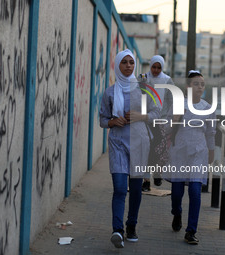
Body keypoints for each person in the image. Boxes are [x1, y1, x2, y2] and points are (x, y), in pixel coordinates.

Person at [99, 49, 159, 248]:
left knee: (135, 188)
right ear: (117, 65)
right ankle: (118, 230)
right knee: (118, 187)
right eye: (124, 62)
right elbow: (102, 119)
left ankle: (131, 225)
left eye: (131, 62)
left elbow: (157, 112)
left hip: (140, 142)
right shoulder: (109, 92)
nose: (128, 66)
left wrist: (140, 116)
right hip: (117, 143)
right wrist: (113, 122)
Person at [167, 70, 215, 244]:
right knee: (177, 192)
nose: (200, 87)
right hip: (179, 150)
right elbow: (167, 127)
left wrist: (211, 151)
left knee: (195, 191)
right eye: (196, 84)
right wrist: (175, 118)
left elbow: (211, 132)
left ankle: (191, 231)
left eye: (202, 84)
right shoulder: (180, 104)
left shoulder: (208, 107)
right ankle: (177, 213)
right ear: (188, 86)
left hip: (199, 151)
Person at [139, 55, 174, 191]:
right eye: (154, 67)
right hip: (146, 120)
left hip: (162, 120)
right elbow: (137, 95)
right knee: (147, 149)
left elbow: (172, 100)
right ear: (150, 65)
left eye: (159, 67)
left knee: (159, 149)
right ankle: (146, 180)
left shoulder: (167, 80)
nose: (156, 70)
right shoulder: (143, 78)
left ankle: (157, 172)